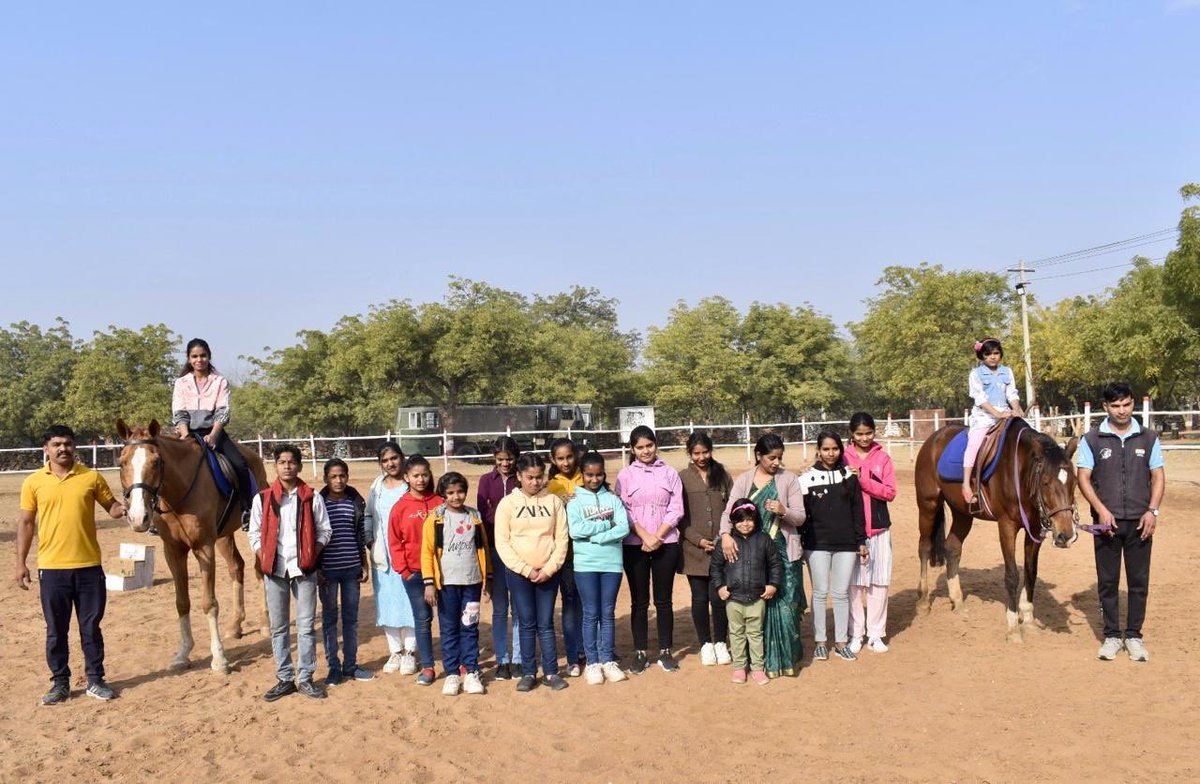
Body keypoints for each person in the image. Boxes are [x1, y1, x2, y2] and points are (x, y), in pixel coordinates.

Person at [16, 425, 126, 705]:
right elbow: (27, 523)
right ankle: (60, 683)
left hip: (89, 567)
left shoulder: (91, 477)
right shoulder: (33, 482)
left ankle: (95, 680)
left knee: (91, 627)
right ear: (46, 449)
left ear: (74, 446)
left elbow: (111, 508)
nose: (62, 448)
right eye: (56, 444)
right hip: (52, 569)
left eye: (67, 443)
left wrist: (128, 507)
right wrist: (21, 563)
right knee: (56, 629)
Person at [1075, 382, 1165, 663]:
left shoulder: (1149, 438)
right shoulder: (1091, 439)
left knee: (1139, 582)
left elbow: (1159, 476)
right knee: (1108, 581)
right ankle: (1113, 636)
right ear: (1106, 407)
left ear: (1133, 404)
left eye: (1126, 404)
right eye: (1115, 406)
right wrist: (1100, 509)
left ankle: (1135, 636)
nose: (1121, 410)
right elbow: (1083, 477)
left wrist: (1152, 511)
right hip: (1106, 524)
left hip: (1141, 522)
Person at [248, 444, 333, 701]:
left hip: (304, 568)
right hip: (274, 570)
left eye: (291, 462)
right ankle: (285, 677)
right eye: (282, 462)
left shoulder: (311, 497)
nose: (287, 466)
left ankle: (305, 677)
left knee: (306, 626)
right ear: (275, 466)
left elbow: (324, 530)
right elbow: (254, 532)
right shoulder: (262, 498)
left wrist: (312, 553)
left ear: (299, 466)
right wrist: (263, 555)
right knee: (279, 627)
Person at [719, 433, 806, 678]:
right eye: (771, 458)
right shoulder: (745, 480)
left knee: (786, 605)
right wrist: (725, 535)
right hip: (752, 553)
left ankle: (785, 660)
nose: (776, 462)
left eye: (780, 458)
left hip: (783, 552)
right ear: (758, 455)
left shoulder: (789, 480)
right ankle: (756, 663)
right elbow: (730, 512)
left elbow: (800, 517)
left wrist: (783, 510)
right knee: (756, 606)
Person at [494, 453, 570, 692]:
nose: (535, 483)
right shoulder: (507, 504)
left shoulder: (554, 502)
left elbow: (561, 539)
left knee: (545, 623)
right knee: (526, 623)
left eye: (539, 478)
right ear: (519, 476)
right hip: (518, 574)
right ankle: (528, 672)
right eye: (530, 478)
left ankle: (550, 672)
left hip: (549, 573)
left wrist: (549, 569)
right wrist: (526, 569)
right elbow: (502, 543)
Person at [616, 425, 684, 674]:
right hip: (636, 546)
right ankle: (640, 652)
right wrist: (645, 536)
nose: (645, 451)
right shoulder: (625, 476)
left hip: (666, 544)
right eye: (640, 447)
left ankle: (666, 651)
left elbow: (676, 507)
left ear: (656, 445)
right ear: (632, 449)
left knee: (664, 600)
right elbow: (623, 509)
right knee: (639, 601)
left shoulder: (669, 473)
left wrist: (658, 536)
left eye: (649, 445)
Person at [171, 338, 254, 526]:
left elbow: (223, 411)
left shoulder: (219, 381)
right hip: (188, 433)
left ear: (209, 356)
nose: (199, 360)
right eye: (194, 356)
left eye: (202, 356)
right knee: (163, 464)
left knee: (240, 464)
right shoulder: (181, 383)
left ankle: (247, 509)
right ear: (188, 358)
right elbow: (179, 412)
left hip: (214, 431)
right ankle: (157, 515)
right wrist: (185, 435)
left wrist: (214, 435)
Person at [800, 431, 868, 663]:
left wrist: (861, 541)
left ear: (841, 450)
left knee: (840, 593)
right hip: (816, 544)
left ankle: (840, 642)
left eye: (835, 449)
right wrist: (801, 543)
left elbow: (858, 511)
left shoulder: (849, 476)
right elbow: (803, 515)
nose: (831, 453)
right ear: (818, 450)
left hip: (847, 544)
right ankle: (820, 642)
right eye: (826, 449)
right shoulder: (806, 478)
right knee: (819, 592)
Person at [422, 472, 490, 696]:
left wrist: (487, 578)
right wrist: (429, 583)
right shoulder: (435, 520)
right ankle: (452, 673)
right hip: (447, 585)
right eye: (450, 493)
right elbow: (427, 552)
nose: (456, 497)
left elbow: (483, 549)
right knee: (449, 628)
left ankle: (471, 671)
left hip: (471, 582)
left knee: (469, 628)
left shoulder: (474, 517)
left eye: (460, 491)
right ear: (443, 494)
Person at [566, 452, 631, 685]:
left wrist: (595, 537)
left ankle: (607, 659)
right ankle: (592, 663)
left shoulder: (613, 500)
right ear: (581, 475)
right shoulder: (575, 502)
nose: (595, 479)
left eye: (599, 474)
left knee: (607, 613)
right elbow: (575, 531)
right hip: (585, 565)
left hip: (612, 563)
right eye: (589, 475)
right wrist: (606, 525)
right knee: (591, 613)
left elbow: (623, 527)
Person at [710, 499, 783, 686]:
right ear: (733, 521)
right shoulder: (725, 542)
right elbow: (715, 567)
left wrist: (773, 584)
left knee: (755, 633)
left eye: (750, 519)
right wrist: (720, 587)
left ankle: (758, 668)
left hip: (757, 597)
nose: (745, 524)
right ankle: (740, 666)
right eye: (741, 520)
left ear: (755, 520)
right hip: (733, 598)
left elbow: (775, 564)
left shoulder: (764, 540)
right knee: (736, 633)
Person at [388, 454, 444, 686]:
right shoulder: (400, 507)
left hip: (443, 572)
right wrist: (405, 570)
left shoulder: (441, 503)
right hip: (415, 573)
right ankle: (429, 666)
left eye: (424, 475)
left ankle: (457, 663)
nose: (421, 480)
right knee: (422, 619)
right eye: (416, 475)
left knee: (450, 618)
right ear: (407, 477)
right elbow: (394, 541)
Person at [844, 412, 897, 654]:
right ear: (851, 434)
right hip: (849, 530)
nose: (864, 438)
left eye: (868, 433)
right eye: (859, 434)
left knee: (879, 583)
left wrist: (864, 480)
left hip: (878, 528)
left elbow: (890, 492)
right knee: (853, 584)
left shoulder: (883, 459)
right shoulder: (842, 456)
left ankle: (876, 634)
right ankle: (856, 633)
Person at [679, 431, 733, 666]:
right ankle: (706, 644)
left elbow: (733, 508)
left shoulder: (723, 476)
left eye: (705, 452)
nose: (701, 457)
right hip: (694, 549)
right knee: (699, 598)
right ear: (689, 453)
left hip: (721, 548)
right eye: (696, 453)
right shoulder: (681, 478)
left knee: (719, 597)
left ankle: (721, 641)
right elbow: (679, 517)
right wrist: (697, 540)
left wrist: (724, 535)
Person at [363, 442, 417, 675]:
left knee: (411, 603)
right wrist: (370, 542)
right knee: (387, 604)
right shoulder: (377, 486)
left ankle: (410, 652)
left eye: (394, 458)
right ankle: (395, 651)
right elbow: (368, 515)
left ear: (402, 457)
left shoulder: (412, 483)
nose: (391, 464)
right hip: (383, 556)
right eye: (385, 461)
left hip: (409, 555)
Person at [317, 458, 372, 686]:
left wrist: (363, 561)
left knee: (350, 620)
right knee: (330, 620)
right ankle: (333, 668)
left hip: (351, 569)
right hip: (327, 571)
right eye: (333, 477)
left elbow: (359, 534)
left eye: (342, 476)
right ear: (326, 479)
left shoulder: (355, 502)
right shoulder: (318, 503)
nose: (338, 480)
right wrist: (317, 568)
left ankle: (350, 665)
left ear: (347, 477)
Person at [476, 436, 522, 679]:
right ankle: (502, 659)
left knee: (519, 608)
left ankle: (518, 658)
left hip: (519, 551)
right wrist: (505, 511)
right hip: (494, 551)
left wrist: (502, 511)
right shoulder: (486, 481)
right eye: (500, 459)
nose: (505, 464)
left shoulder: (522, 478)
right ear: (494, 459)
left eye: (510, 459)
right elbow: (484, 517)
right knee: (499, 609)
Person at [962, 338, 1025, 504]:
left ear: (1000, 354)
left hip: (1006, 413)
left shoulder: (1007, 371)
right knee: (974, 444)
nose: (992, 357)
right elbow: (980, 399)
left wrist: (1016, 409)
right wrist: (998, 414)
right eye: (988, 353)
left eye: (996, 353)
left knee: (1030, 434)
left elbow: (1012, 393)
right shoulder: (975, 374)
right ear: (981, 355)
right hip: (984, 416)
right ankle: (967, 483)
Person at [546, 437, 585, 676]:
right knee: (570, 604)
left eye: (569, 456)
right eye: (560, 458)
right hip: (566, 555)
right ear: (553, 460)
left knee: (590, 606)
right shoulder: (550, 486)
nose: (566, 462)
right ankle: (573, 654)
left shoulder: (590, 476)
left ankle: (592, 650)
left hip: (590, 553)